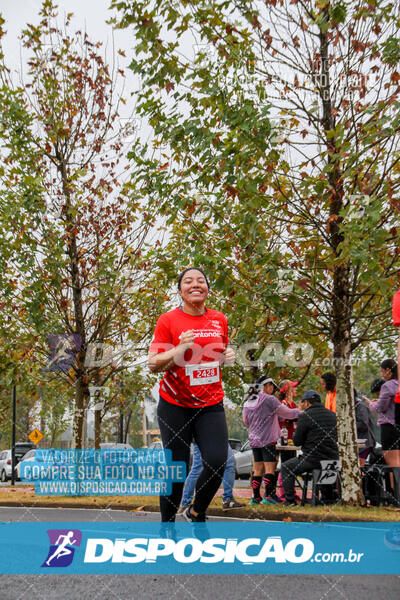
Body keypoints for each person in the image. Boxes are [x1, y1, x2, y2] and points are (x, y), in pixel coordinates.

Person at [148, 267, 235, 523]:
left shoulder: (219, 318)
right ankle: (167, 524)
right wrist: (181, 347)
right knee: (178, 468)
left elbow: (219, 352)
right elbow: (154, 363)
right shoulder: (168, 320)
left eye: (201, 280)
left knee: (218, 460)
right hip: (175, 404)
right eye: (188, 281)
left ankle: (196, 511)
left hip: (210, 403)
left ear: (207, 288)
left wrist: (227, 357)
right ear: (180, 291)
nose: (195, 284)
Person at [242, 376, 301, 505]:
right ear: (267, 385)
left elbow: (246, 422)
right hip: (268, 439)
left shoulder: (249, 401)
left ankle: (255, 498)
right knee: (270, 469)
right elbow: (287, 414)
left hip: (254, 440)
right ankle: (268, 497)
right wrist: (300, 412)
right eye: (272, 387)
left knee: (257, 470)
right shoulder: (270, 400)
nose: (273, 390)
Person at [281, 389, 339, 507]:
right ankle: (327, 498)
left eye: (303, 403)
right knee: (326, 467)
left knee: (286, 467)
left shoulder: (305, 416)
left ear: (307, 403)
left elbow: (297, 441)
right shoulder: (333, 415)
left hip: (312, 459)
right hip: (332, 459)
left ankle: (290, 500)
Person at [179, 442, 244, 512]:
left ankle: (228, 500)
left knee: (230, 463)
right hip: (201, 435)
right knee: (198, 468)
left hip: (218, 435)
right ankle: (185, 503)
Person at [364, 359, 400, 468]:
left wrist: (370, 404)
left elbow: (380, 408)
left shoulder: (387, 386)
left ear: (388, 370)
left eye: (382, 371)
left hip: (389, 427)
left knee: (392, 462)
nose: (382, 374)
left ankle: (395, 485)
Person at [276, 379, 299, 500]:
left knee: (292, 465)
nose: (295, 390)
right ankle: (284, 492)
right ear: (287, 391)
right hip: (284, 440)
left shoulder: (293, 404)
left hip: (292, 440)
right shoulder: (282, 404)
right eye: (293, 388)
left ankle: (292, 491)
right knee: (285, 465)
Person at [354, 388, 376, 466]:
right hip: (358, 443)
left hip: (364, 443)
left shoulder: (360, 406)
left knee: (359, 467)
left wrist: (349, 425)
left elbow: (364, 424)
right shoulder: (353, 406)